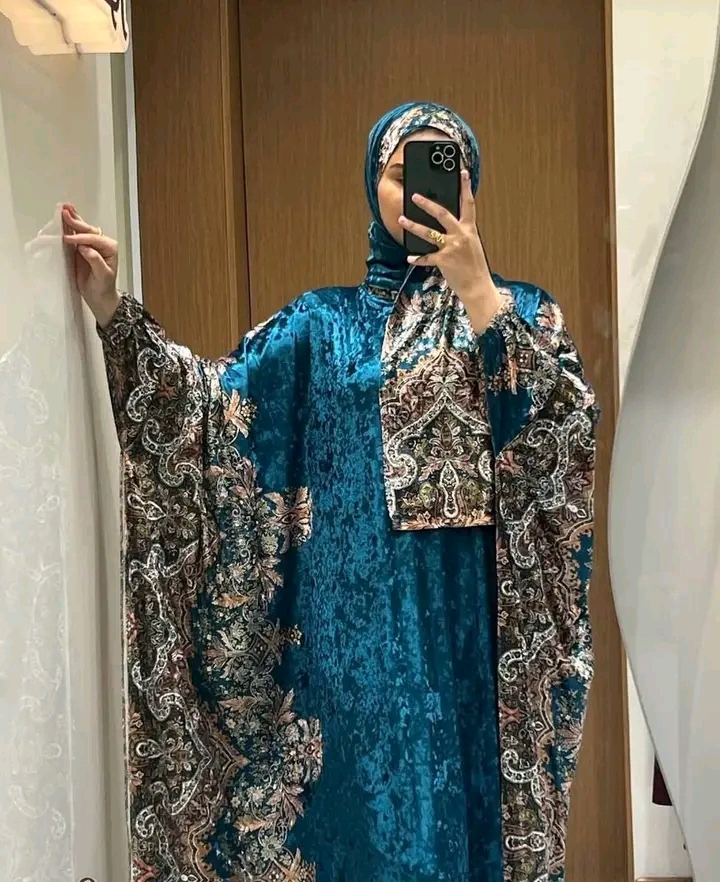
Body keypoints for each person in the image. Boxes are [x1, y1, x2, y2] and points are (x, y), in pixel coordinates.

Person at [63, 102, 599, 882]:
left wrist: (480, 293)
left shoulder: (524, 312)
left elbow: (563, 435)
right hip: (346, 646)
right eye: (401, 172)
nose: (421, 191)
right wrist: (114, 311)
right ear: (372, 187)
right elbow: (207, 411)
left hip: (474, 643)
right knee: (360, 831)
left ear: (473, 187)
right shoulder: (320, 325)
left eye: (445, 170)